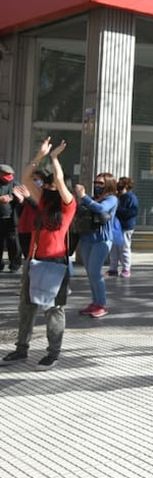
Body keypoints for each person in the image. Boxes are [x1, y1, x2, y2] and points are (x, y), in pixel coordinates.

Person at [0, 138, 76, 370]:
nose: (48, 187)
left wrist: (54, 158)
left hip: (56, 263)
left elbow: (60, 180)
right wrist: (39, 155)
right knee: (26, 307)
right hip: (34, 261)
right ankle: (21, 349)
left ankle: (53, 353)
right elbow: (25, 177)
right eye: (47, 185)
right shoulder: (43, 201)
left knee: (53, 310)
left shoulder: (68, 205)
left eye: (51, 185)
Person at [75, 171, 119, 319]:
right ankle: (95, 302)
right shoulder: (93, 199)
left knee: (95, 272)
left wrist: (84, 197)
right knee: (90, 273)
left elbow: (101, 209)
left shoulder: (112, 199)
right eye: (96, 183)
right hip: (87, 238)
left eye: (101, 183)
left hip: (102, 239)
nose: (97, 185)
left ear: (109, 184)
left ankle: (102, 305)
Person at [108, 176, 139, 278]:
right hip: (116, 226)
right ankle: (113, 268)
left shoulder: (131, 198)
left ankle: (126, 268)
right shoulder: (118, 197)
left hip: (125, 226)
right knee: (114, 248)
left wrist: (118, 210)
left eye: (121, 185)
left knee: (124, 248)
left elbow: (132, 212)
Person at [0, 163, 22, 273]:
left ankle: (14, 265)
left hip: (11, 219)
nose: (9, 176)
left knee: (13, 242)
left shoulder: (14, 183)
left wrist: (13, 197)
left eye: (10, 174)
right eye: (6, 174)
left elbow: (21, 197)